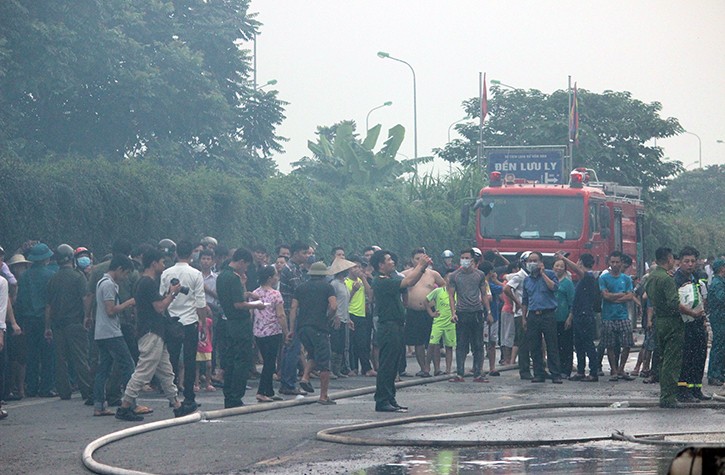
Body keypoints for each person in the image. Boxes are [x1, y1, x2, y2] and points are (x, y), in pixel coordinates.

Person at [115, 249, 195, 421]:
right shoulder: (148, 283)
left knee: (166, 371)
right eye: (162, 262)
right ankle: (125, 405)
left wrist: (168, 294)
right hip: (151, 332)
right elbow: (159, 307)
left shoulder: (143, 282)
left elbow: (155, 304)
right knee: (143, 371)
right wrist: (173, 293)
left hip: (154, 331)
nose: (163, 265)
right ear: (154, 263)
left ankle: (177, 405)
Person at [371, 249, 432, 412]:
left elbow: (411, 281)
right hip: (388, 326)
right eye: (389, 260)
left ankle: (390, 398)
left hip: (396, 325)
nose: (393, 262)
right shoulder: (381, 281)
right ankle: (382, 400)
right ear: (380, 265)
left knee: (394, 364)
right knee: (387, 364)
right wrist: (420, 265)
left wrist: (422, 268)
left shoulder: (391, 278)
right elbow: (408, 282)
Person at [646, 247, 700, 408]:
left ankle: (666, 394)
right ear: (669, 259)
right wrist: (693, 313)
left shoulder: (652, 277)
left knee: (662, 360)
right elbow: (675, 303)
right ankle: (668, 397)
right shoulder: (667, 279)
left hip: (659, 320)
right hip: (672, 322)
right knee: (672, 361)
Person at [160, 240, 208, 413]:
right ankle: (189, 396)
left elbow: (161, 296)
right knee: (189, 361)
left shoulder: (166, 273)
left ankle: (172, 396)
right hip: (190, 322)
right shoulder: (196, 274)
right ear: (191, 255)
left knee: (171, 359)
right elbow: (201, 302)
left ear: (175, 253)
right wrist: (202, 322)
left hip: (171, 320)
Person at [216, 248, 265, 408]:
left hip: (228, 322)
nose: (246, 270)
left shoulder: (222, 276)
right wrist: (256, 305)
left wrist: (248, 294)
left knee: (229, 360)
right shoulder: (234, 277)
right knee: (241, 360)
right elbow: (238, 304)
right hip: (239, 324)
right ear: (241, 262)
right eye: (246, 266)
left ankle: (228, 395)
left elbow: (232, 297)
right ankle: (236, 395)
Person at [44, 244, 93, 403]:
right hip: (75, 323)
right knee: (80, 358)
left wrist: (47, 327)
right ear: (72, 258)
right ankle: (87, 391)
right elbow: (85, 298)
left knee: (60, 360)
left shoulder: (53, 279)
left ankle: (64, 392)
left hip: (58, 325)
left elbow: (48, 306)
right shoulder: (78, 277)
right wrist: (87, 316)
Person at [92, 255, 136, 416]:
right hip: (111, 332)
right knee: (128, 365)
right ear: (119, 269)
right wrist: (128, 303)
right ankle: (130, 403)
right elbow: (110, 310)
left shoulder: (101, 282)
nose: (125, 278)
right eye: (125, 274)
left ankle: (99, 405)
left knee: (103, 368)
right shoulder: (109, 285)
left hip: (101, 332)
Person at [289, 261, 337, 405]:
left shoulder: (300, 288)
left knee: (312, 354)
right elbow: (334, 306)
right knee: (324, 362)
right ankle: (323, 396)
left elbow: (293, 309)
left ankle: (304, 377)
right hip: (319, 328)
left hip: (303, 327)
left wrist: (292, 329)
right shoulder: (328, 287)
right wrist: (328, 318)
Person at [16, 242, 57, 397]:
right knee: (48, 354)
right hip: (45, 319)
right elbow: (51, 302)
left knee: (32, 354)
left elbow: (20, 301)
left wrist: (20, 322)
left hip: (28, 320)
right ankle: (46, 387)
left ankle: (31, 387)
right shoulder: (50, 275)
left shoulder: (24, 276)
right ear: (46, 259)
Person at [402, 248, 446, 378]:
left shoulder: (433, 274)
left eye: (423, 259)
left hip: (430, 312)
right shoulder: (405, 275)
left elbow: (445, 288)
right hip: (413, 311)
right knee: (418, 342)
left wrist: (437, 303)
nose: (420, 262)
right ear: (412, 260)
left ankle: (437, 368)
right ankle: (424, 368)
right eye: (417, 259)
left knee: (434, 341)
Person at [674, 246, 710, 402]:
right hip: (684, 324)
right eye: (686, 261)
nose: (690, 264)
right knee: (686, 358)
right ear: (680, 262)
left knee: (699, 356)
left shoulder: (696, 278)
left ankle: (696, 388)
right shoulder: (676, 279)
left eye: (693, 261)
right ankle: (683, 390)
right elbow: (675, 303)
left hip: (697, 322)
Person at [521, 251, 562, 384]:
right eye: (530, 261)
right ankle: (539, 373)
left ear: (540, 262)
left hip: (548, 314)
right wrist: (524, 317)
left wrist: (543, 273)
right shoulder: (527, 280)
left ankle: (555, 374)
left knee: (552, 344)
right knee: (535, 345)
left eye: (535, 260)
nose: (532, 263)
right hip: (533, 315)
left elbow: (554, 288)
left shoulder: (550, 274)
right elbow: (525, 300)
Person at [278, 241, 311, 396]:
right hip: (291, 313)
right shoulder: (290, 269)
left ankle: (287, 382)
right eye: (305, 253)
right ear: (296, 253)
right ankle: (288, 383)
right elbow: (301, 290)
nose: (307, 256)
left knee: (291, 349)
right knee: (292, 348)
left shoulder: (297, 269)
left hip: (295, 312)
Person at [252, 265, 288, 403]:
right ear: (269, 278)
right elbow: (280, 315)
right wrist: (286, 331)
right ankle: (261, 391)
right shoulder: (275, 294)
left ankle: (269, 391)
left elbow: (252, 313)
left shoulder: (255, 293)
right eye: (275, 276)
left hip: (258, 331)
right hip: (273, 331)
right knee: (269, 363)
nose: (276, 278)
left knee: (268, 361)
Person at [599, 251, 636, 381]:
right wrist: (621, 295)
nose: (615, 264)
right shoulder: (603, 278)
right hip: (608, 316)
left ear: (621, 263)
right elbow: (605, 295)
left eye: (617, 262)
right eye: (612, 262)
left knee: (627, 344)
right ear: (609, 263)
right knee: (610, 345)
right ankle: (614, 370)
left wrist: (613, 297)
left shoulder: (626, 279)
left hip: (623, 316)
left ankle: (621, 369)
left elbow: (630, 296)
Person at [569, 253, 600, 382]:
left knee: (588, 345)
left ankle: (593, 372)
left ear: (581, 262)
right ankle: (581, 371)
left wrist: (563, 259)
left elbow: (576, 270)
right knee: (579, 345)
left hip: (585, 315)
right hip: (578, 315)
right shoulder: (584, 279)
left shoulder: (588, 277)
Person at [346, 257, 375, 377]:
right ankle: (353, 368)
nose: (357, 269)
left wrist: (364, 278)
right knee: (352, 343)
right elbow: (345, 300)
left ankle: (366, 368)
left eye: (358, 267)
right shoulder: (345, 282)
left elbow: (370, 295)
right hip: (350, 313)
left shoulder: (362, 280)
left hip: (362, 314)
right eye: (354, 267)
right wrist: (353, 290)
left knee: (363, 343)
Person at [329, 258, 356, 379]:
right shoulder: (334, 284)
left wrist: (348, 318)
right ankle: (331, 369)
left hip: (344, 318)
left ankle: (338, 369)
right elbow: (332, 303)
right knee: (334, 344)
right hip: (337, 318)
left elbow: (345, 302)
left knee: (341, 345)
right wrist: (335, 316)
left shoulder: (343, 283)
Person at [425, 274, 456, 375]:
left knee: (449, 346)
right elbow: (426, 301)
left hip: (451, 323)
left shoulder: (456, 293)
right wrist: (431, 313)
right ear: (444, 279)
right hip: (438, 322)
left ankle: (448, 369)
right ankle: (427, 368)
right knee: (432, 344)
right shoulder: (438, 291)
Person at [552, 257, 575, 379]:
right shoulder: (550, 281)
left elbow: (572, 302)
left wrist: (570, 318)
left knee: (566, 345)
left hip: (564, 318)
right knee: (555, 345)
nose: (559, 268)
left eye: (561, 266)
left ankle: (566, 369)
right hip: (552, 319)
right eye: (557, 265)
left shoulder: (568, 283)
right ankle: (556, 369)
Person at [707, 259, 725, 387]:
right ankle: (714, 374)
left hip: (720, 317)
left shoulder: (719, 282)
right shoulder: (718, 283)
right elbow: (721, 298)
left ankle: (719, 373)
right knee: (719, 346)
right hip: (719, 318)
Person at [194, 316, 215, 392]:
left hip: (207, 345)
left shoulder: (209, 321)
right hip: (198, 345)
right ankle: (196, 384)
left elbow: (211, 332)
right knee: (197, 365)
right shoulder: (194, 321)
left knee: (209, 365)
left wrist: (210, 342)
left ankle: (208, 383)